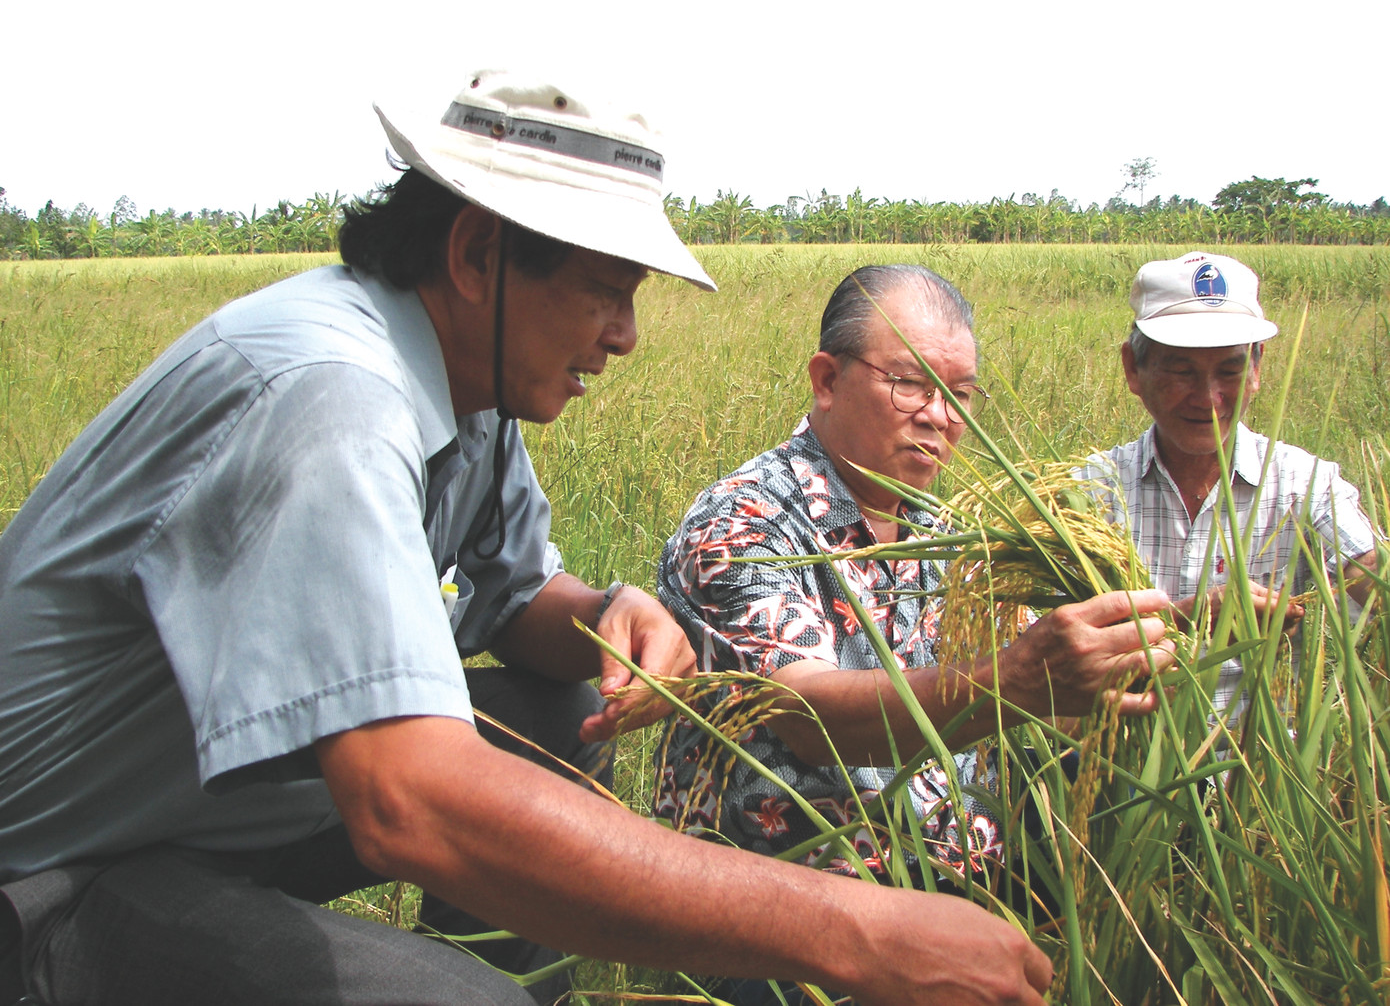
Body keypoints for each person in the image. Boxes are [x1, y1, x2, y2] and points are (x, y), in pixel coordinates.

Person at [0, 72, 1061, 1006]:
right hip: (60, 865)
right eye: (606, 290)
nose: (625, 334)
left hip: (206, 798)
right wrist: (853, 928)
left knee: (560, 711)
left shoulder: (472, 392)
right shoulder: (333, 401)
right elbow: (409, 801)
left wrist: (605, 612)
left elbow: (514, 602)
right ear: (475, 253)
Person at [654, 264, 1175, 897]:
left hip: (955, 861)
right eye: (910, 384)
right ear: (827, 380)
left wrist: (1175, 626)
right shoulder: (742, 522)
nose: (940, 417)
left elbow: (1050, 661)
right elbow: (808, 715)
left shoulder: (947, 533)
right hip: (789, 893)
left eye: (960, 395)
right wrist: (1012, 681)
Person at [1080, 250, 1379, 721]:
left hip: (1263, 780)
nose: (1208, 397)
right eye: (1181, 371)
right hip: (1121, 771)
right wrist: (1189, 617)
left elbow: (1370, 580)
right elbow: (1053, 657)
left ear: (1257, 370)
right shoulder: (1090, 492)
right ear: (1133, 369)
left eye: (1230, 370)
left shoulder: (1306, 485)